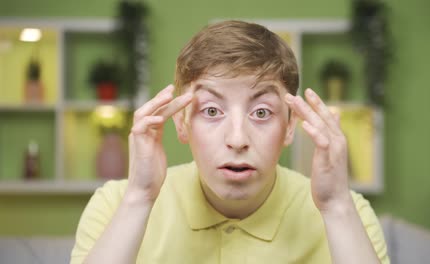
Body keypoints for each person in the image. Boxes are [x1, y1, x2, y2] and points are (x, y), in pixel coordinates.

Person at [71, 20, 389, 264]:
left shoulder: (350, 214)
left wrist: (335, 208)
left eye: (261, 112)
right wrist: (139, 199)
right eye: (212, 110)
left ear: (290, 126)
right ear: (181, 123)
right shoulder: (115, 205)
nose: (237, 140)